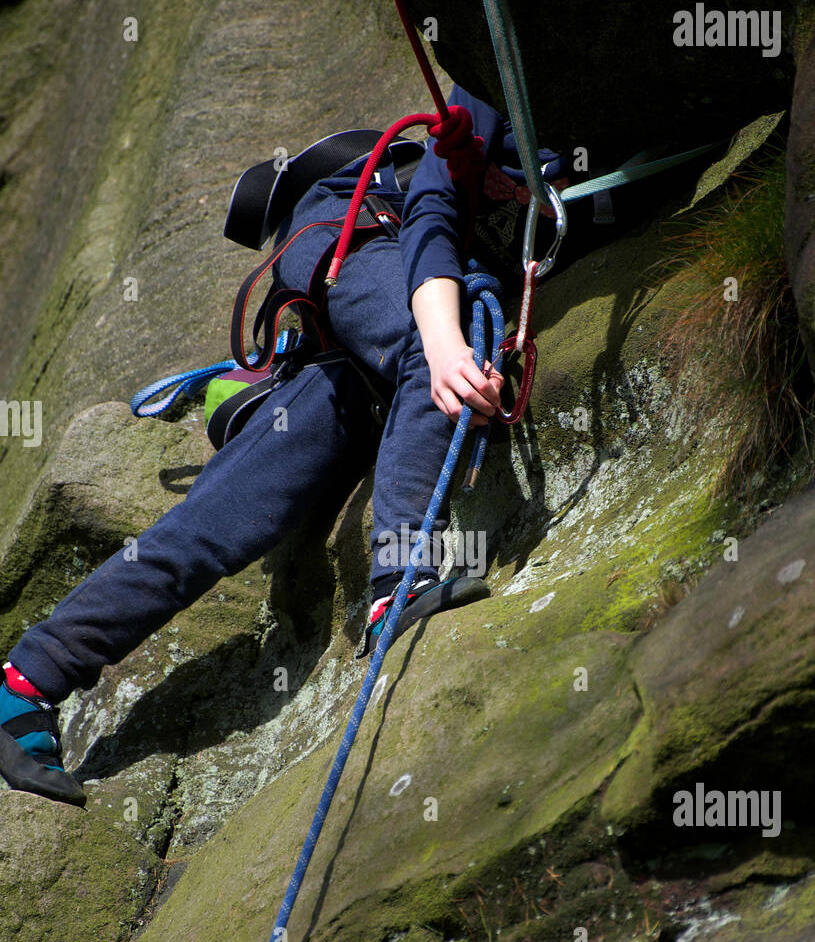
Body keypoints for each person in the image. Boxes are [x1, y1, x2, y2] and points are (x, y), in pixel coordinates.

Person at [0, 83, 573, 809]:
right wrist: (443, 335)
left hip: (344, 352)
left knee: (223, 515)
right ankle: (399, 579)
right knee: (433, 355)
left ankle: (24, 684)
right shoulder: (497, 80)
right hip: (363, 237)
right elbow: (433, 203)